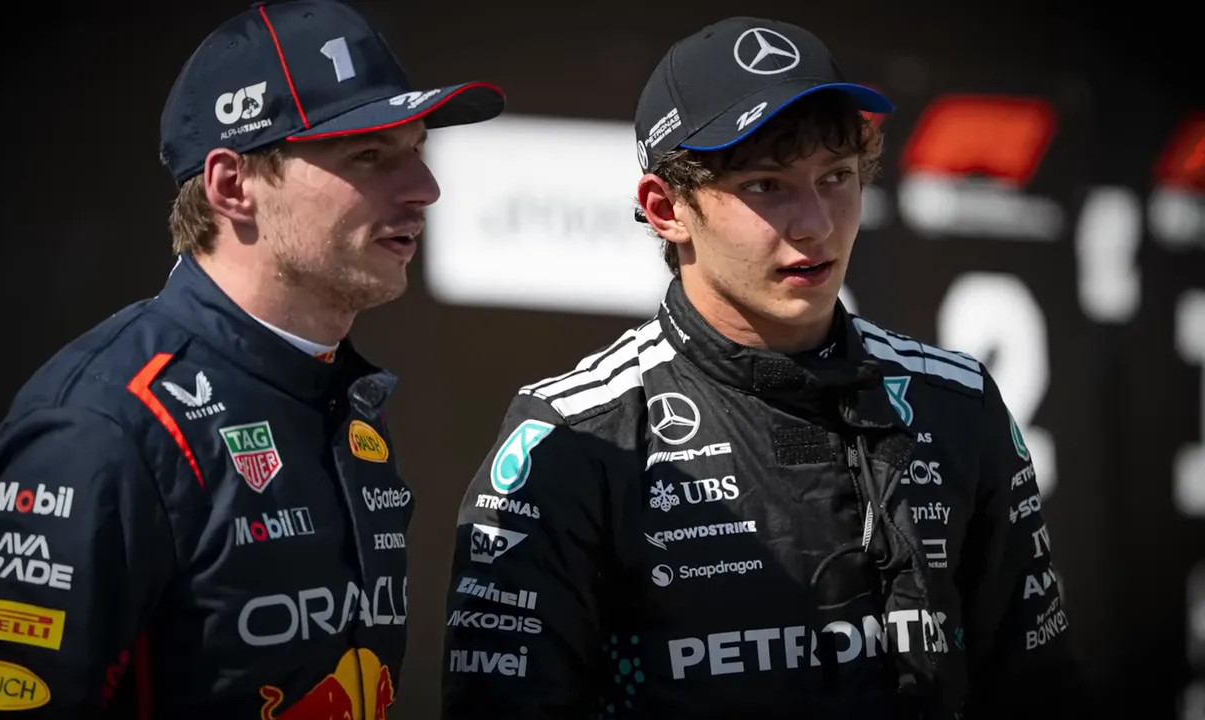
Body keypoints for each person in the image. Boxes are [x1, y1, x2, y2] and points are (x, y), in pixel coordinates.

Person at [441, 16, 1083, 720]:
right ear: (666, 209)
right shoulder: (577, 436)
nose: (815, 222)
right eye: (766, 187)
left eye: (836, 177)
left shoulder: (955, 404)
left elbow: (1037, 687)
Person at [0, 0, 503, 716]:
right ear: (233, 187)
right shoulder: (104, 425)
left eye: (417, 149)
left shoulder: (337, 395)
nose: (424, 189)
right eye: (368, 155)